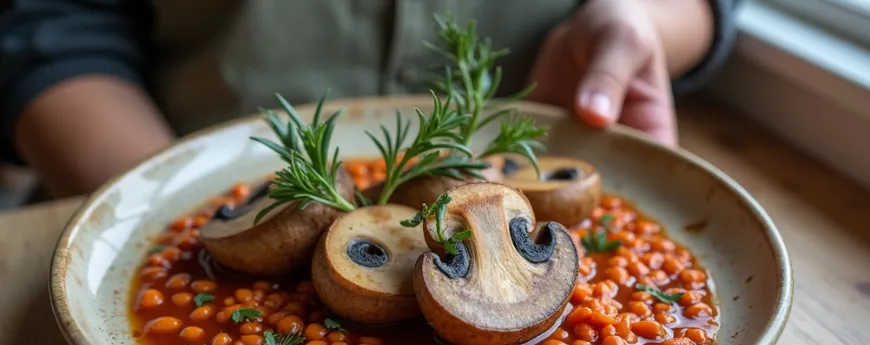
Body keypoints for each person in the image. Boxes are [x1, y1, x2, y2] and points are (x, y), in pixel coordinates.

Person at [0, 0, 739, 198]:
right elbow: (48, 20)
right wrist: (170, 205)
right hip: (147, 165)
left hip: (538, 162)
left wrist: (645, 21)